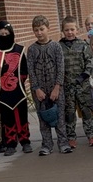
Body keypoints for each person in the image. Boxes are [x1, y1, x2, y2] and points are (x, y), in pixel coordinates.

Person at [26, 15, 71, 156]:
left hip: (55, 88)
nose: (39, 33)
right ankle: (46, 145)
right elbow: (31, 71)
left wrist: (57, 87)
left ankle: (63, 143)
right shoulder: (32, 49)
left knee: (59, 117)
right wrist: (36, 89)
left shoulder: (56, 46)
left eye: (41, 29)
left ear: (48, 29)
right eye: (36, 30)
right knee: (43, 118)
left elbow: (60, 67)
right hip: (39, 90)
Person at [0, 21, 32, 156]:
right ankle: (10, 143)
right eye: (1, 34)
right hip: (3, 92)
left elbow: (24, 70)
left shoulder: (19, 49)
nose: (4, 36)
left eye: (7, 34)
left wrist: (19, 81)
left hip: (18, 90)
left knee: (22, 116)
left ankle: (25, 141)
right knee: (7, 118)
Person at [59, 16, 93, 147]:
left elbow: (89, 63)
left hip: (82, 84)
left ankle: (91, 135)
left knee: (86, 111)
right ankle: (71, 137)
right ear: (62, 30)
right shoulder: (59, 47)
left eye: (72, 29)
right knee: (69, 113)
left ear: (77, 30)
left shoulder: (83, 45)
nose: (70, 32)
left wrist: (83, 76)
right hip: (67, 85)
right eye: (67, 30)